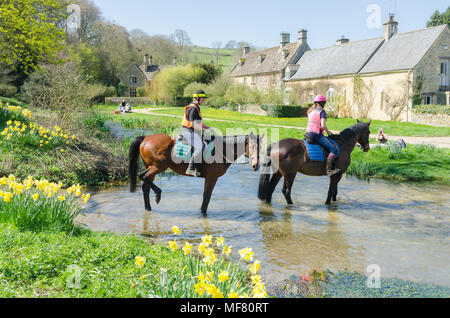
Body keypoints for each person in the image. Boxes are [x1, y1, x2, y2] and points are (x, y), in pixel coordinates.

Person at [305, 95, 340, 176]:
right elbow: (323, 125)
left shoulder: (310, 111)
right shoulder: (322, 111)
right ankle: (329, 170)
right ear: (323, 103)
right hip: (316, 134)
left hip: (308, 133)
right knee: (333, 149)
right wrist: (328, 131)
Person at [180, 89, 211, 177]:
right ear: (197, 98)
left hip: (192, 131)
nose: (203, 100)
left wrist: (209, 127)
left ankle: (199, 169)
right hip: (188, 132)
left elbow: (199, 123)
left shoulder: (196, 107)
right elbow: (192, 123)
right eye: (202, 99)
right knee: (200, 147)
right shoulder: (193, 108)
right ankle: (190, 168)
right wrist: (204, 130)